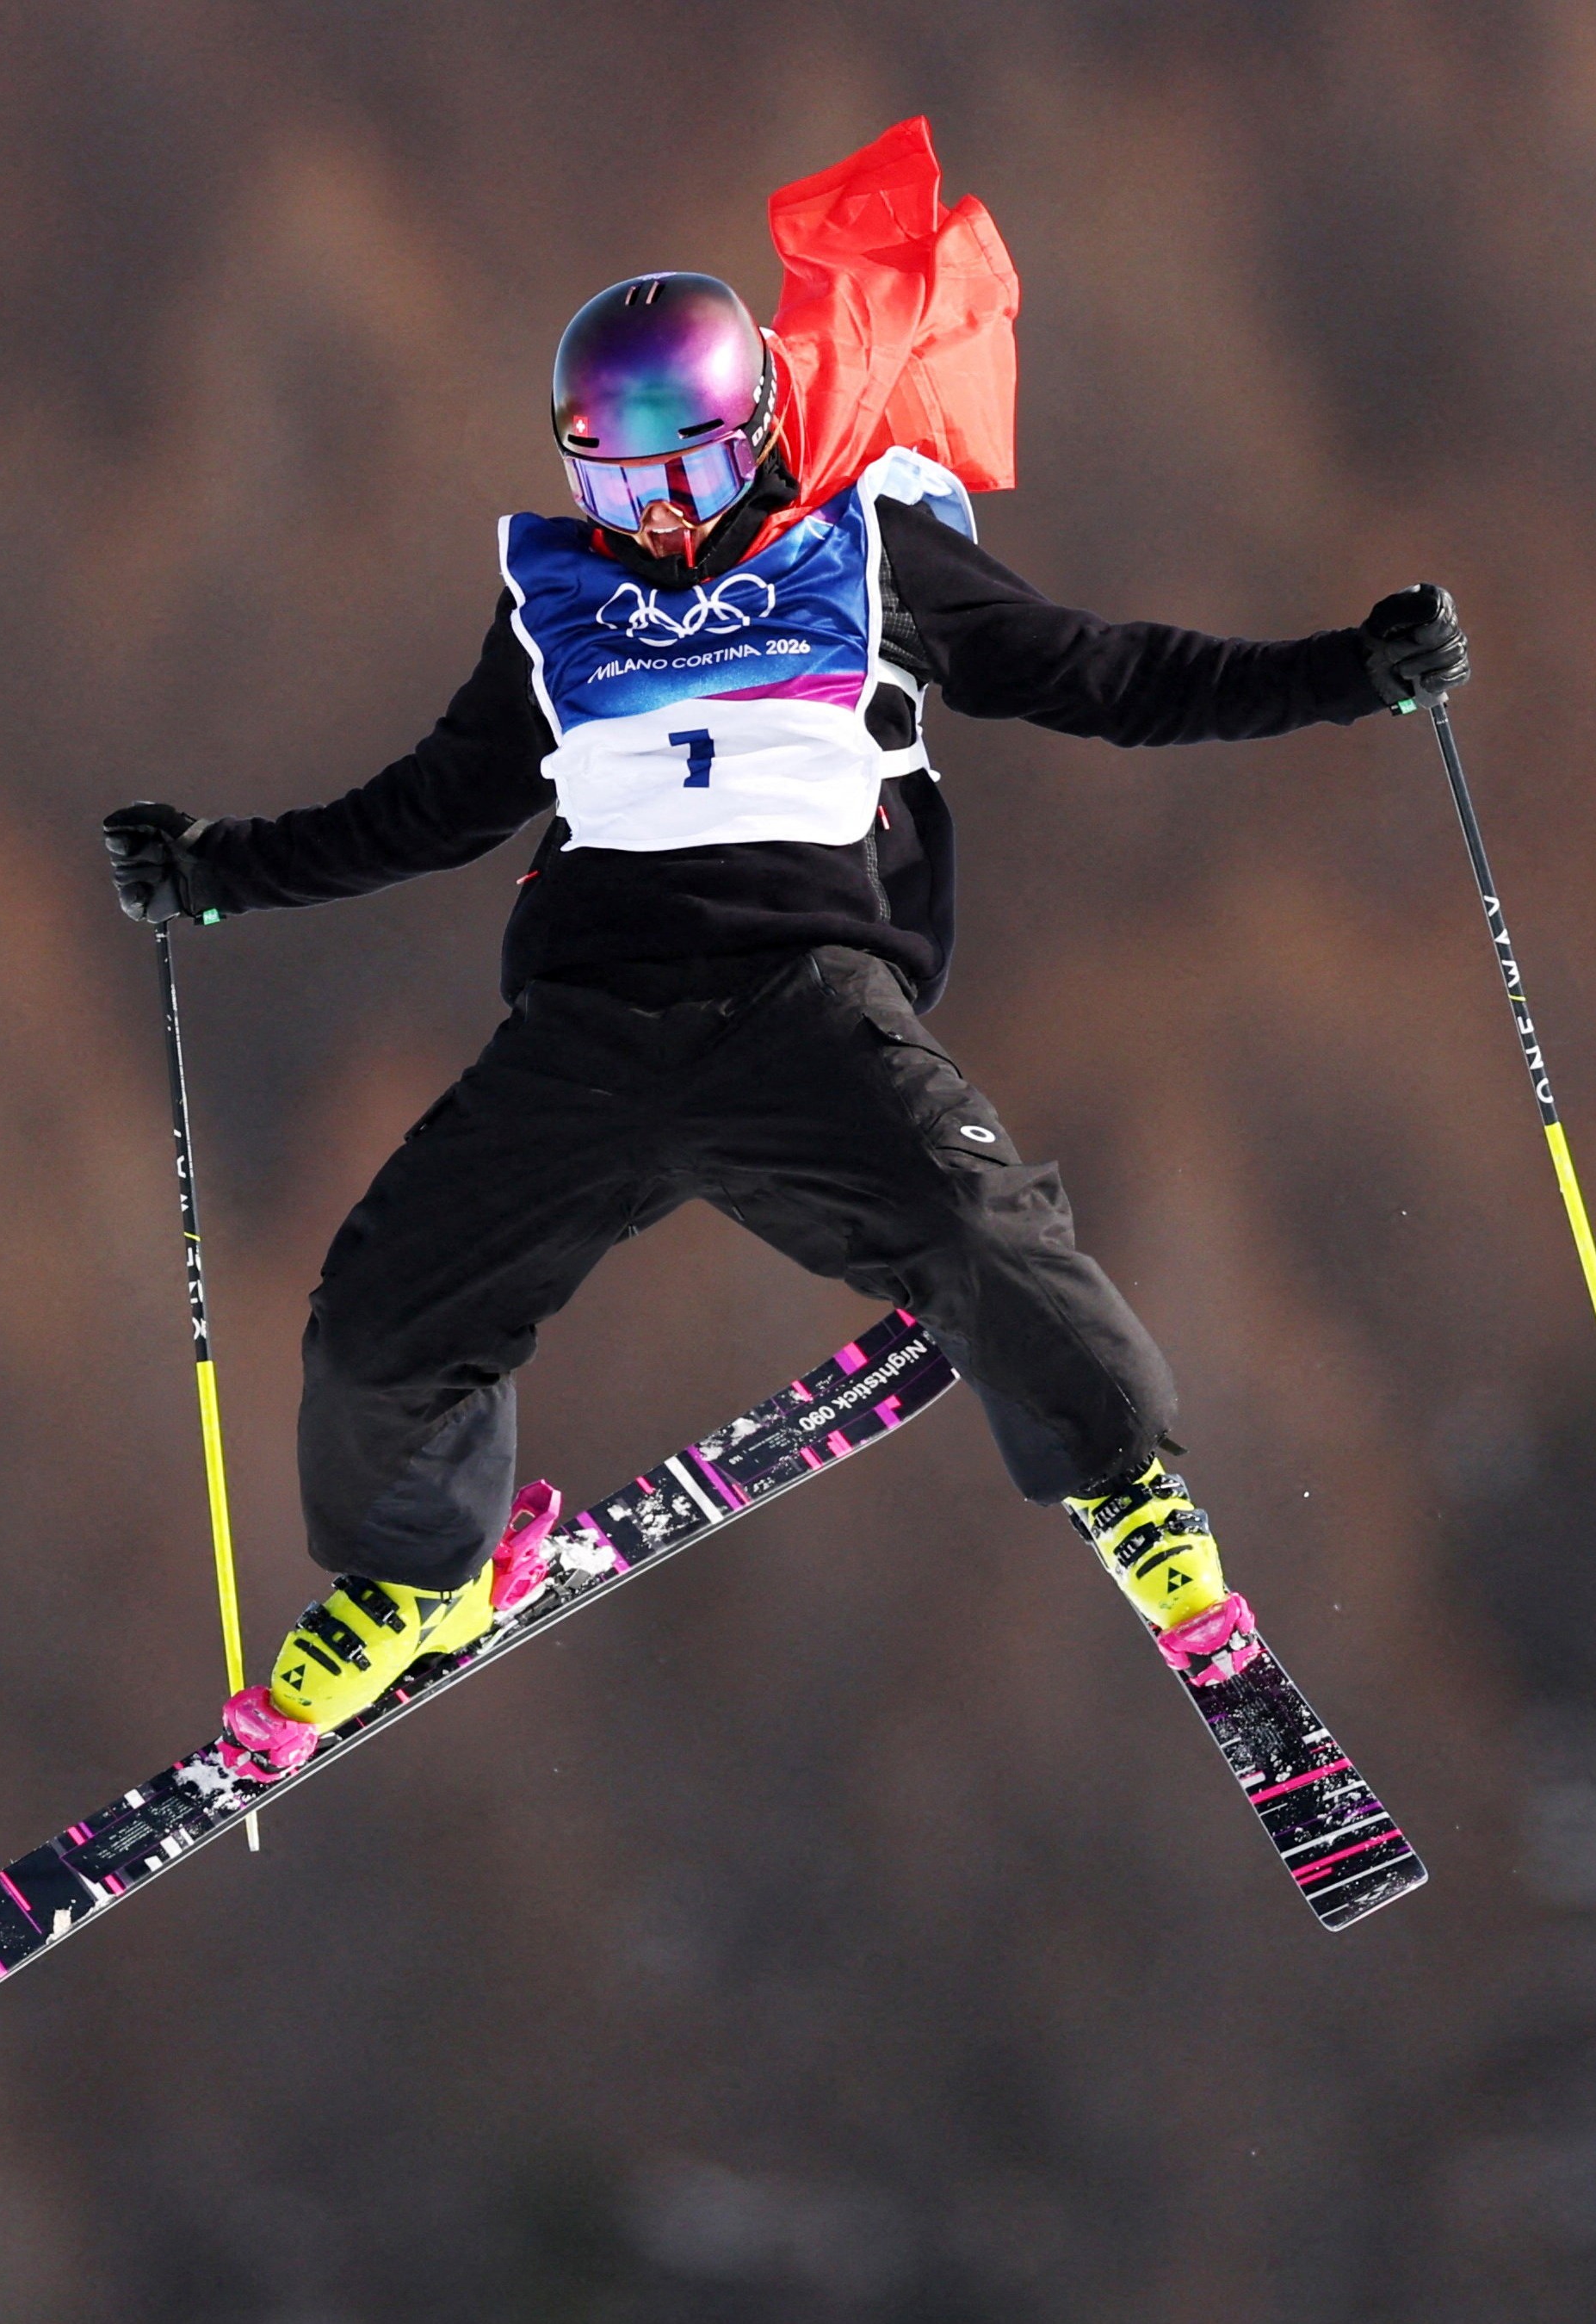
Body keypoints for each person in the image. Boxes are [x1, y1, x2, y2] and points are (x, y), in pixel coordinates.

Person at [100, 126, 1466, 1777]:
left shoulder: (862, 556)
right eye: (614, 481)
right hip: (590, 1031)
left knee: (983, 1232)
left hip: (798, 1010)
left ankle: (1134, 1496)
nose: (655, 516)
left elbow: (1103, 675)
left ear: (752, 439)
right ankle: (418, 1578)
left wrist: (1351, 671)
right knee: (375, 1323)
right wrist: (215, 875)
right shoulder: (551, 611)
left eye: (683, 474)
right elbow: (426, 811)